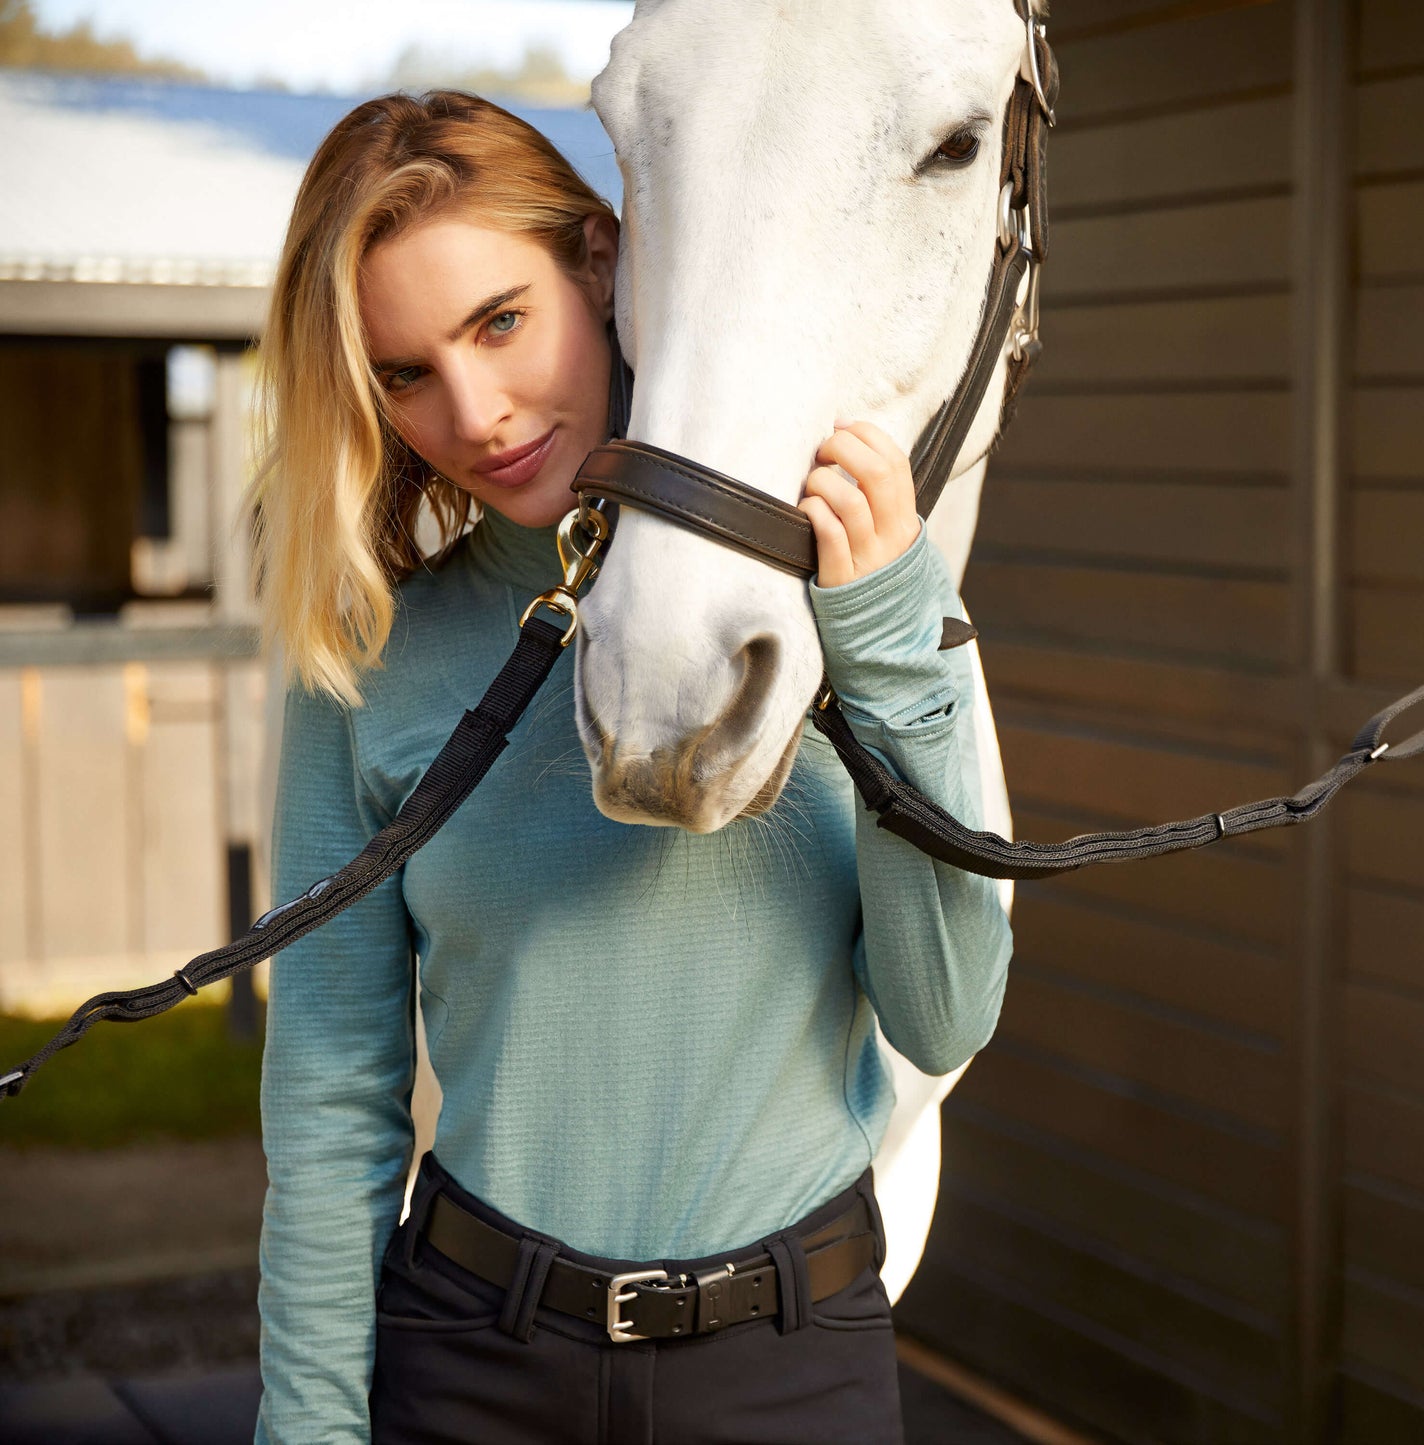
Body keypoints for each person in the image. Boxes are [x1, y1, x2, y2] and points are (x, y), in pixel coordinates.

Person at [252, 89, 1013, 1444]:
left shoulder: (840, 592)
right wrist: (307, 1428)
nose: (476, 412)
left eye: (500, 323)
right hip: (474, 1358)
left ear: (600, 264)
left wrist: (893, 639)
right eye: (407, 372)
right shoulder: (369, 658)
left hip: (788, 1363)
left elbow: (943, 1011)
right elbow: (328, 1095)